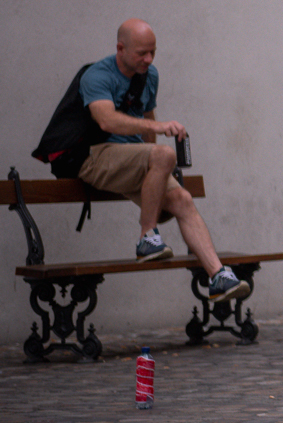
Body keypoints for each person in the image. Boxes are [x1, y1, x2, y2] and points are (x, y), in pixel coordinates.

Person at [37, 20, 250, 301]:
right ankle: (147, 238)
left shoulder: (149, 75)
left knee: (183, 199)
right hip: (90, 156)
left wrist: (156, 161)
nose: (148, 59)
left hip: (128, 159)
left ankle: (219, 276)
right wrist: (158, 135)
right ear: (120, 48)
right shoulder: (97, 75)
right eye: (141, 53)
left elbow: (146, 119)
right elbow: (106, 119)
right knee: (164, 154)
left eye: (153, 52)